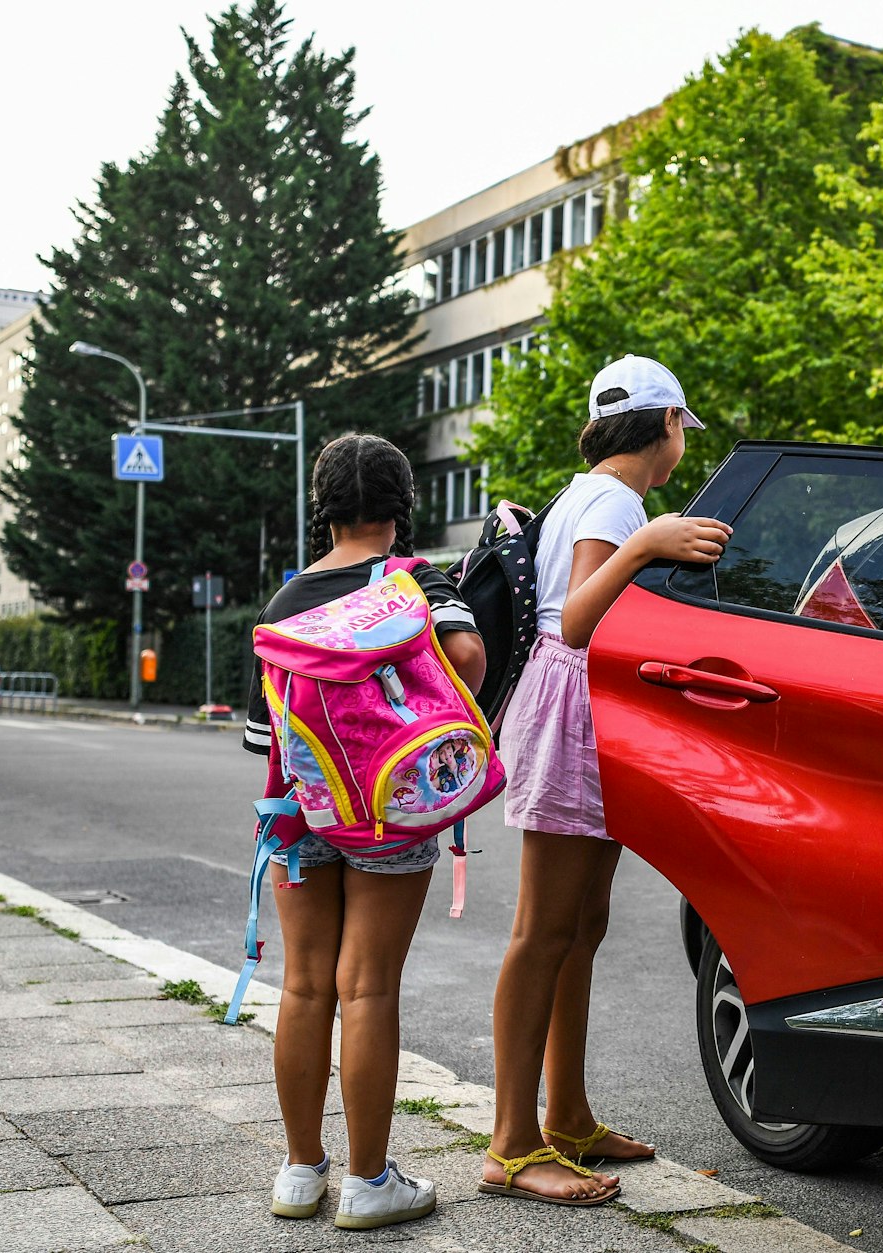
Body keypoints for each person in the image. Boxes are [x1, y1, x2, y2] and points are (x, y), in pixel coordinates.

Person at [480, 356, 731, 1206]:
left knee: (580, 924)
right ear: (665, 426)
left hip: (575, 711)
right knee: (543, 931)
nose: (680, 448)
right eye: (679, 432)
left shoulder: (589, 492)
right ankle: (513, 1143)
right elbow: (582, 619)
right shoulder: (620, 502)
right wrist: (648, 543)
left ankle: (570, 1117)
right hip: (570, 709)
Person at [243, 433, 487, 1231]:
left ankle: (299, 1172)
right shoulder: (414, 581)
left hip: (301, 811)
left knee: (306, 984)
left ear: (325, 508)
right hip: (392, 808)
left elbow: (260, 736)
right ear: (401, 506)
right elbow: (467, 654)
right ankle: (369, 1181)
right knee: (368, 986)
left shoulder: (285, 602)